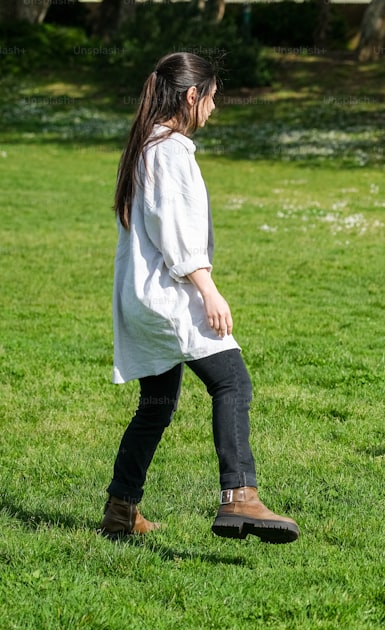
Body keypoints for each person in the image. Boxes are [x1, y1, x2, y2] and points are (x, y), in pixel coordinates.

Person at [100, 52, 299, 543]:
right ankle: (240, 496)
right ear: (193, 96)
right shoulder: (168, 152)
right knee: (233, 382)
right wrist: (208, 289)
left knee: (157, 404)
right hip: (170, 296)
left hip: (144, 298)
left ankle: (121, 510)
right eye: (212, 98)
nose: (213, 108)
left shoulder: (152, 146)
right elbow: (175, 235)